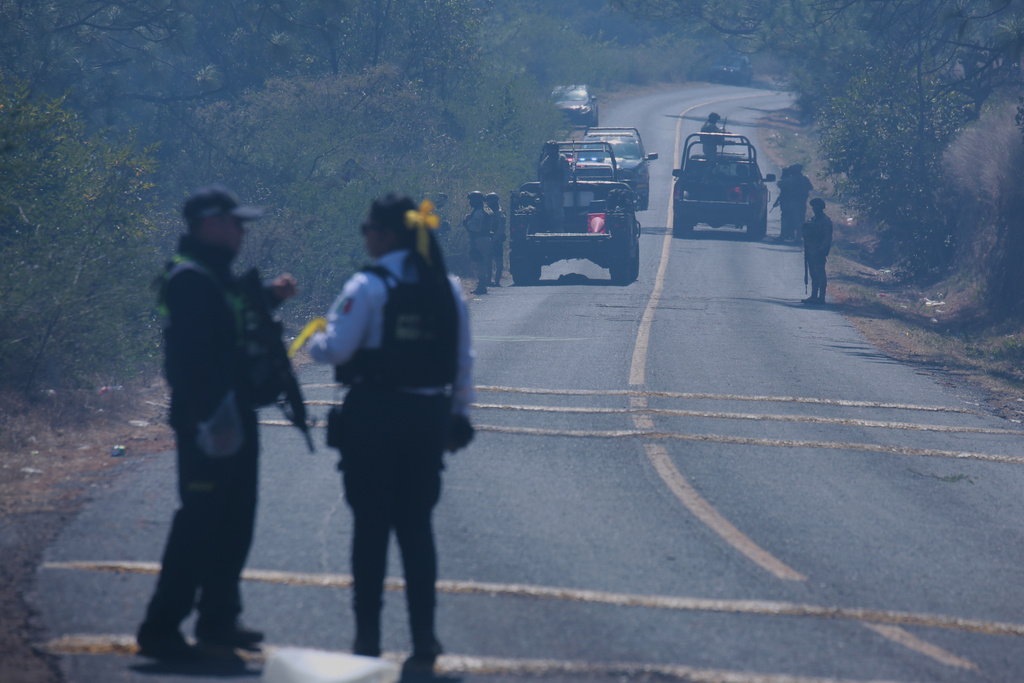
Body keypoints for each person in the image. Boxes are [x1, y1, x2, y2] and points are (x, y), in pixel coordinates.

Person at [307, 194, 475, 671]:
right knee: (417, 530)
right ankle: (424, 637)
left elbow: (336, 349)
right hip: (426, 420)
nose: (365, 237)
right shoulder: (448, 288)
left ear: (387, 235)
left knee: (370, 530)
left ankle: (367, 639)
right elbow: (463, 361)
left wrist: (314, 340)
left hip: (374, 418)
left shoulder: (368, 284)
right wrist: (459, 416)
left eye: (368, 229)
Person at [137, 185, 298, 660]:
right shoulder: (190, 279)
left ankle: (219, 620)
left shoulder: (214, 275)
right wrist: (212, 420)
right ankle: (161, 628)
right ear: (211, 224)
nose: (242, 233)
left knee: (234, 522)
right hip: (209, 420)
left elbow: (231, 321)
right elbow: (191, 361)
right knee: (199, 524)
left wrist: (268, 297)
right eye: (236, 224)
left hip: (234, 414)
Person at [802, 197, 833, 304]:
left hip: (819, 251)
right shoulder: (813, 219)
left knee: (820, 273)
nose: (815, 208)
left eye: (817, 206)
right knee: (813, 274)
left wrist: (822, 249)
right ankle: (814, 296)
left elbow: (828, 237)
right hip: (811, 250)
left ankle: (821, 297)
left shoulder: (825, 221)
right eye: (814, 206)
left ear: (822, 208)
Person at [462, 190, 493, 295]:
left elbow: (475, 227)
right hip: (484, 238)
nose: (470, 202)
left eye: (472, 199)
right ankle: (482, 284)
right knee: (482, 262)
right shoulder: (484, 210)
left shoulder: (479, 212)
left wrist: (467, 222)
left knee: (480, 262)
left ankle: (482, 286)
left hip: (480, 239)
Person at [774, 164, 813, 242]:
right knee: (799, 220)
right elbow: (810, 187)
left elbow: (780, 184)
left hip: (789, 203)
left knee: (785, 219)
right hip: (800, 203)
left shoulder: (789, 180)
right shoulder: (804, 179)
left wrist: (784, 176)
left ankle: (783, 236)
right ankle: (798, 238)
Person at [537, 141, 569, 230]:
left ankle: (559, 228)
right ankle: (552, 225)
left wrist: (564, 184)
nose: (548, 151)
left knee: (557, 208)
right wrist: (541, 185)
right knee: (548, 208)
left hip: (557, 186)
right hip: (548, 187)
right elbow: (543, 174)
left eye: (550, 148)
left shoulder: (561, 159)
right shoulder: (546, 159)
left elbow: (566, 173)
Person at [485, 192, 506, 286]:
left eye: (489, 200)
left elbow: (501, 227)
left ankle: (497, 281)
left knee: (498, 262)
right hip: (489, 239)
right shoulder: (489, 211)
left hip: (496, 240)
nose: (487, 202)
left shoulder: (499, 212)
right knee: (488, 261)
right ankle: (488, 281)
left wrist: (496, 238)